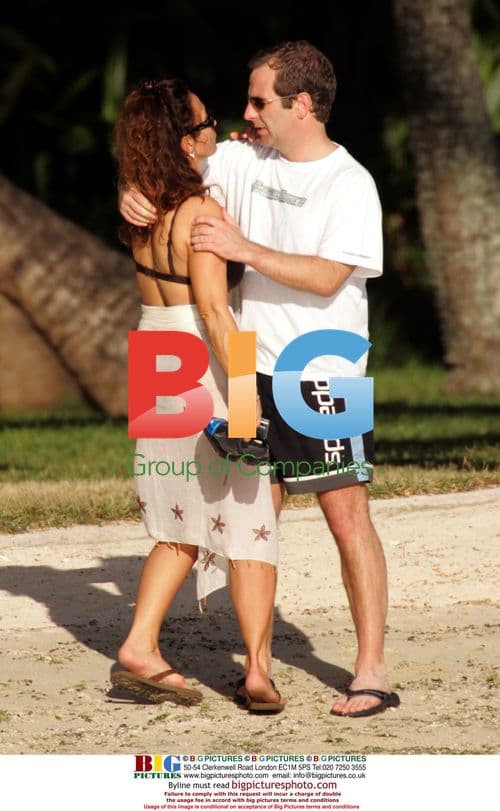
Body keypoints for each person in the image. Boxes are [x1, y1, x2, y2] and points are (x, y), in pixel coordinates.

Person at [120, 42, 400, 719]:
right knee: (253, 524)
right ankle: (259, 667)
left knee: (347, 517)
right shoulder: (244, 159)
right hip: (244, 367)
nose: (246, 115)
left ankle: (371, 670)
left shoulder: (350, 182)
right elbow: (163, 148)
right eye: (244, 103)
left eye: (258, 102)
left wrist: (245, 250)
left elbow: (331, 275)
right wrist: (132, 193)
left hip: (324, 367)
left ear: (301, 105)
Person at [112, 77, 284, 712]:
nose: (218, 127)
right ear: (185, 141)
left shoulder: (144, 207)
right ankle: (259, 671)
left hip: (154, 352)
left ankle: (139, 645)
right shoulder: (201, 212)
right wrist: (245, 395)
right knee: (250, 514)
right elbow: (215, 313)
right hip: (198, 355)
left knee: (179, 519)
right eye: (207, 121)